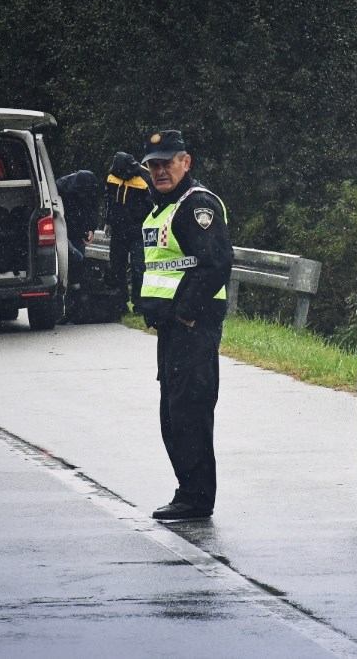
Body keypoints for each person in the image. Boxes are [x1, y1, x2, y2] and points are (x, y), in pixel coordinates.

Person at [135, 130, 233, 521]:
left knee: (189, 411)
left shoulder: (197, 205)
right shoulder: (162, 206)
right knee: (173, 414)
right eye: (154, 164)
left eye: (167, 162)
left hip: (194, 326)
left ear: (185, 162)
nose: (160, 170)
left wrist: (185, 312)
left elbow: (215, 265)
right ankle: (188, 491)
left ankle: (196, 498)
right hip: (173, 328)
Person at [104, 152, 152, 314]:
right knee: (117, 267)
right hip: (118, 230)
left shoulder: (144, 181)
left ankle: (139, 304)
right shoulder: (112, 178)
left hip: (138, 231)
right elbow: (109, 201)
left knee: (139, 268)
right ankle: (120, 302)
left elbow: (152, 208)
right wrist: (107, 222)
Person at [55, 170, 98, 323]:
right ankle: (61, 311)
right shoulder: (61, 187)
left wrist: (91, 228)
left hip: (79, 232)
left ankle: (75, 310)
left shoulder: (90, 188)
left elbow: (93, 209)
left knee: (76, 271)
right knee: (65, 271)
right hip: (63, 232)